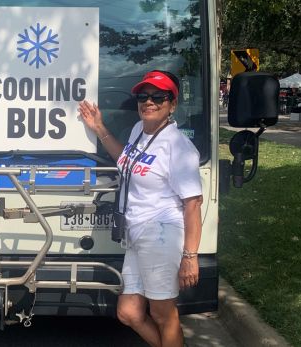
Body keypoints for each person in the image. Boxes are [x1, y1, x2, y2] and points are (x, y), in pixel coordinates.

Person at [78, 70, 203, 347]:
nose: (149, 101)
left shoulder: (179, 147)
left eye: (159, 96)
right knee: (129, 312)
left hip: (161, 234)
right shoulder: (138, 131)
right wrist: (99, 127)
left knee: (162, 314)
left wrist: (190, 257)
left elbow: (193, 204)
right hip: (136, 234)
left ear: (172, 104)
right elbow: (125, 160)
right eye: (143, 96)